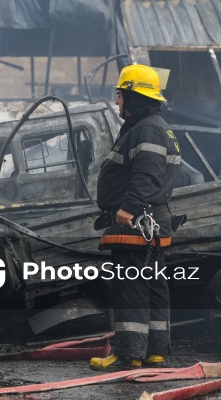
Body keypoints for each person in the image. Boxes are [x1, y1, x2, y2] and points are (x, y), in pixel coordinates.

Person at [90, 64, 180, 371]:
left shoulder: (146, 128)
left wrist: (127, 208)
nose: (116, 102)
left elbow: (147, 176)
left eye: (120, 95)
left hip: (137, 222)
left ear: (133, 95)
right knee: (152, 285)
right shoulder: (154, 126)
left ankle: (129, 353)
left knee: (130, 287)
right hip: (151, 222)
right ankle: (155, 351)